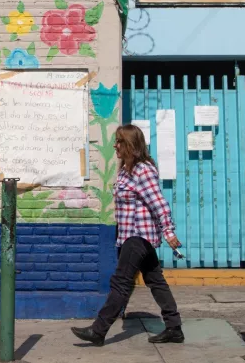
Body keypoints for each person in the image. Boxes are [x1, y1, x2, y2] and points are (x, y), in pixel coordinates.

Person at [71, 124, 184, 346]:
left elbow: (159, 203)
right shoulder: (126, 171)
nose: (115, 145)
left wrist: (168, 231)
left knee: (121, 282)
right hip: (129, 235)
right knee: (156, 281)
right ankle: (174, 328)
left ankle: (99, 330)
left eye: (119, 141)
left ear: (130, 145)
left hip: (138, 236)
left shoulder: (143, 170)